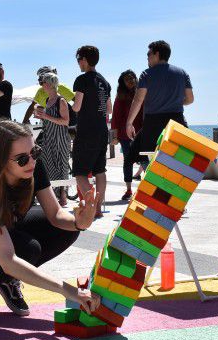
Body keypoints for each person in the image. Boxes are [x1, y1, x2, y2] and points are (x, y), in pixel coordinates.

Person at [0, 120, 100, 325]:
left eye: (35, 152)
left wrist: (81, 222)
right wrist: (70, 291)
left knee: (67, 230)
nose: (32, 162)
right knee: (27, 250)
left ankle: (6, 279)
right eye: (22, 159)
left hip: (5, 226)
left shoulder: (33, 166)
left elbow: (56, 215)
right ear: (1, 160)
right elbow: (8, 258)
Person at [126, 40, 193, 155]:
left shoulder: (146, 74)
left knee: (150, 160)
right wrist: (174, 101)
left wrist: (129, 123)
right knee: (177, 160)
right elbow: (190, 99)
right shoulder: (182, 73)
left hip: (153, 123)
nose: (147, 58)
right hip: (177, 122)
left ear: (157, 54)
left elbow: (138, 100)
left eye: (149, 54)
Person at [72, 45, 112, 217]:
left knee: (80, 173)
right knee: (100, 170)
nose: (78, 63)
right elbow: (109, 109)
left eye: (79, 59)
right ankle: (98, 209)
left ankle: (91, 207)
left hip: (87, 131)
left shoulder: (82, 80)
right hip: (102, 130)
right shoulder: (105, 82)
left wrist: (69, 103)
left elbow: (77, 107)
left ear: (85, 60)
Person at [33, 73, 71, 206]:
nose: (41, 85)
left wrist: (46, 116)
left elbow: (66, 121)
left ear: (49, 84)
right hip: (49, 137)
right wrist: (41, 116)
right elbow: (50, 118)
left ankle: (63, 196)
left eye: (42, 82)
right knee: (48, 164)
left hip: (60, 137)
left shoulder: (61, 101)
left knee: (62, 166)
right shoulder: (48, 101)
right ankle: (54, 194)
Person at [111, 70, 143, 200]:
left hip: (142, 133)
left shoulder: (142, 92)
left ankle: (148, 189)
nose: (131, 81)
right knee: (128, 162)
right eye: (127, 79)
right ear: (123, 82)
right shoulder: (120, 96)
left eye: (132, 78)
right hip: (125, 136)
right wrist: (114, 137)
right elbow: (116, 118)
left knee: (146, 160)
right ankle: (129, 189)